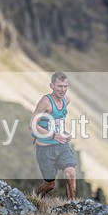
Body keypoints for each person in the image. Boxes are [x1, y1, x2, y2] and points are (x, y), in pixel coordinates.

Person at [30, 71, 77, 200]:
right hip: (45, 150)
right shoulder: (45, 102)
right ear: (52, 86)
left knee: (71, 173)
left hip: (62, 146)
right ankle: (34, 199)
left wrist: (63, 133)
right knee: (50, 185)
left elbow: (57, 121)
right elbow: (32, 124)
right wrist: (54, 135)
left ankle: (73, 206)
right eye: (59, 86)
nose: (63, 90)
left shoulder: (66, 100)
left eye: (65, 86)